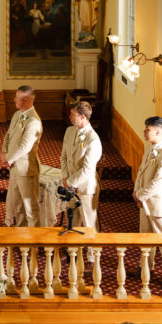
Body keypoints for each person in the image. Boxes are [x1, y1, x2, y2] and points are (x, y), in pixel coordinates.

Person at [60, 100, 102, 262]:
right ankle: (72, 253)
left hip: (86, 187)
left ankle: (92, 258)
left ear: (83, 117)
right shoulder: (70, 131)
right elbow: (63, 156)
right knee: (73, 219)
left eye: (73, 115)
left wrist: (71, 182)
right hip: (70, 182)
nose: (70, 117)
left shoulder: (93, 140)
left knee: (89, 222)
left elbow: (87, 169)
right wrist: (65, 177)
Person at [132, 116, 162, 267]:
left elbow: (158, 182)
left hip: (158, 205)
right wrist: (136, 190)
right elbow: (141, 171)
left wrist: (139, 195)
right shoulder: (150, 148)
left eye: (147, 130)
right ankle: (145, 269)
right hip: (145, 203)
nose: (144, 132)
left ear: (158, 132)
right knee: (145, 239)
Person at [2, 85, 43, 227]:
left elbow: (25, 147)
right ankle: (22, 238)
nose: (14, 99)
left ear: (26, 100)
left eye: (17, 97)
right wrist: (4, 152)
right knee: (18, 207)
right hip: (14, 168)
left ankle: (34, 244)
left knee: (30, 208)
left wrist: (8, 159)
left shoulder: (34, 121)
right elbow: (8, 135)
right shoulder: (17, 114)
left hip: (26, 170)